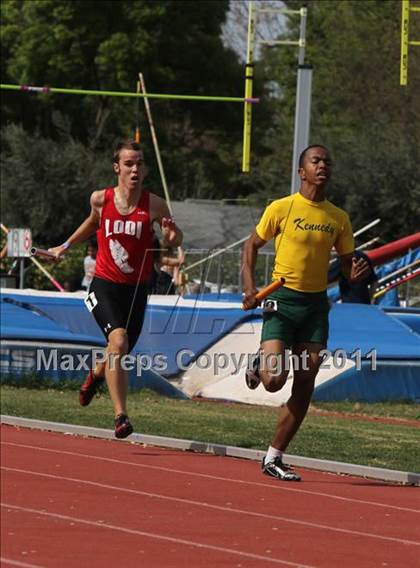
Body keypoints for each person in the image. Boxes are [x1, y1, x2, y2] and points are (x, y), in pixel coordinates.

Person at [242, 144, 369, 481]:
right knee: (273, 381)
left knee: (306, 381)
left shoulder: (338, 218)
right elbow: (250, 246)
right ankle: (259, 363)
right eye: (316, 161)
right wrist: (249, 287)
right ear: (302, 171)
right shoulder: (282, 208)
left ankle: (274, 457)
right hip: (281, 301)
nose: (322, 165)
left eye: (327, 161)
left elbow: (346, 264)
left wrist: (351, 274)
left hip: (315, 307)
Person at [49, 140, 183, 438]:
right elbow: (92, 222)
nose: (135, 169)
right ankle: (120, 417)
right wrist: (65, 246)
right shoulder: (101, 198)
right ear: (117, 168)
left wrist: (172, 235)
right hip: (104, 285)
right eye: (128, 163)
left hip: (136, 290)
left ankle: (95, 376)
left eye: (139, 163)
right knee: (119, 342)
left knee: (118, 351)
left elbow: (174, 236)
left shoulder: (155, 204)